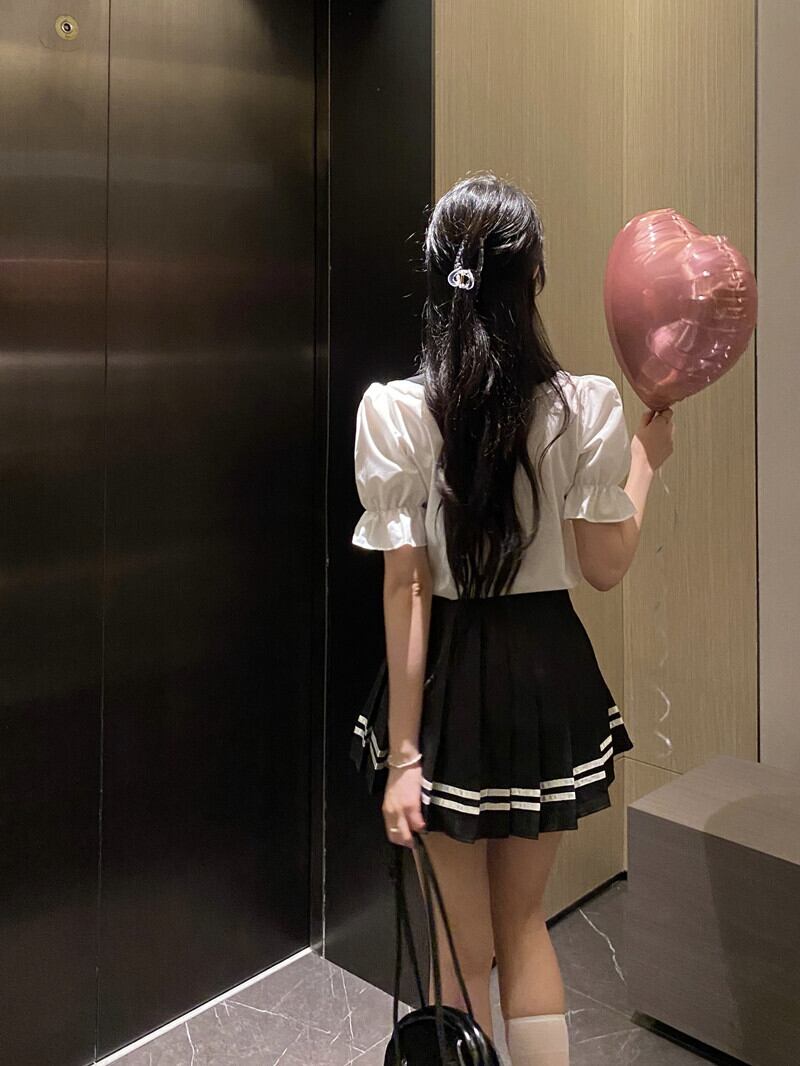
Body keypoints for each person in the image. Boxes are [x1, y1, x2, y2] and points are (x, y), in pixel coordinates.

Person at [349, 173, 674, 1066]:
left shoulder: (397, 414)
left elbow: (407, 590)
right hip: (544, 674)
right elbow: (604, 568)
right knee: (525, 926)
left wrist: (405, 759)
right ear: (531, 279)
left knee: (463, 951)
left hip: (449, 683)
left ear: (437, 279)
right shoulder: (583, 407)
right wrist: (647, 460)